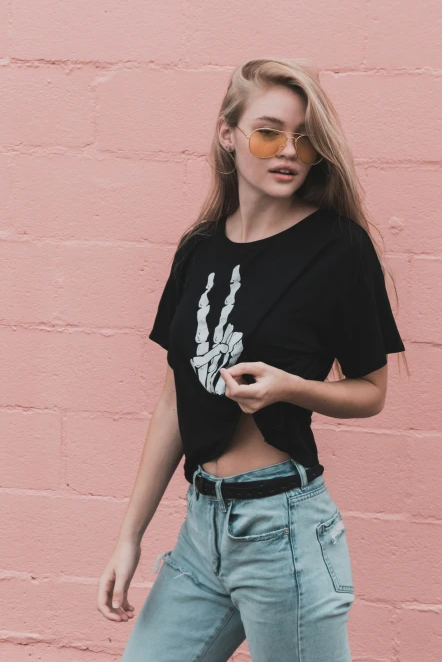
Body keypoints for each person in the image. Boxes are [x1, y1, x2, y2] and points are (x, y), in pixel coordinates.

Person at [97, 57, 408, 662]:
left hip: (283, 528)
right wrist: (128, 538)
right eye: (269, 132)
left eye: (305, 139)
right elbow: (171, 405)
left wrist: (291, 387)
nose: (287, 151)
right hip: (201, 529)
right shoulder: (199, 248)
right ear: (228, 134)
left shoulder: (338, 248)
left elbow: (371, 391)